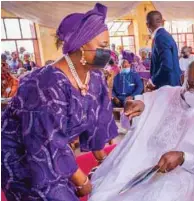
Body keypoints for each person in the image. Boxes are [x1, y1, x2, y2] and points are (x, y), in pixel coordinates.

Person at [1, 4, 118, 201]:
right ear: (81, 46)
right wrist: (81, 180)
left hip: (56, 151)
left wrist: (105, 162)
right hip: (24, 156)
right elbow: (45, 142)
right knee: (55, 195)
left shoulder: (95, 77)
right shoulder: (44, 85)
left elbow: (98, 121)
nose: (108, 53)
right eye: (103, 47)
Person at [90, 60, 194, 201]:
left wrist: (183, 157)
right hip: (140, 158)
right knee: (107, 192)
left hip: (179, 173)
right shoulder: (164, 93)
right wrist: (135, 110)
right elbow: (134, 116)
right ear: (182, 80)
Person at [146, 10, 181, 91]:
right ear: (162, 22)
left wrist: (153, 81)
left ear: (147, 24)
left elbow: (167, 65)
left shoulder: (160, 37)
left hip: (167, 85)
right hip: (170, 82)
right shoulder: (165, 35)